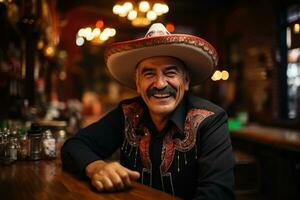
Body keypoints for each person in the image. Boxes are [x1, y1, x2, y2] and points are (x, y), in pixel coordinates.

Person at [61, 23, 235, 200]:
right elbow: (74, 145)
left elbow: (218, 194)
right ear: (137, 83)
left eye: (170, 72)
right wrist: (97, 168)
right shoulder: (127, 113)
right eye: (149, 73)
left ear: (187, 80)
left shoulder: (211, 120)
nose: (160, 84)